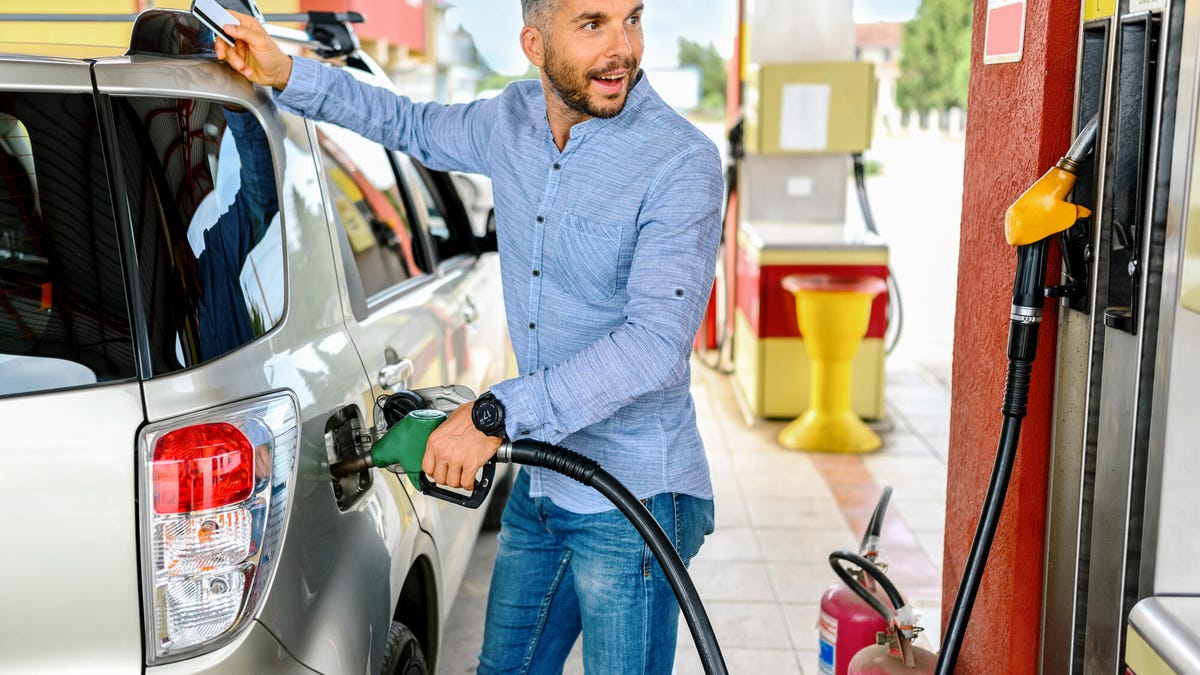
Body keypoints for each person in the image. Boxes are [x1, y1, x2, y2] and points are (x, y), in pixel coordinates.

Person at [216, 1, 722, 672]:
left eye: (632, 19)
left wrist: (495, 413)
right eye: (594, 24)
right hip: (544, 484)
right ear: (535, 46)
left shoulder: (680, 160)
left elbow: (654, 343)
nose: (622, 47)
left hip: (635, 499)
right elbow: (403, 123)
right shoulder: (509, 122)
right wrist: (286, 75)